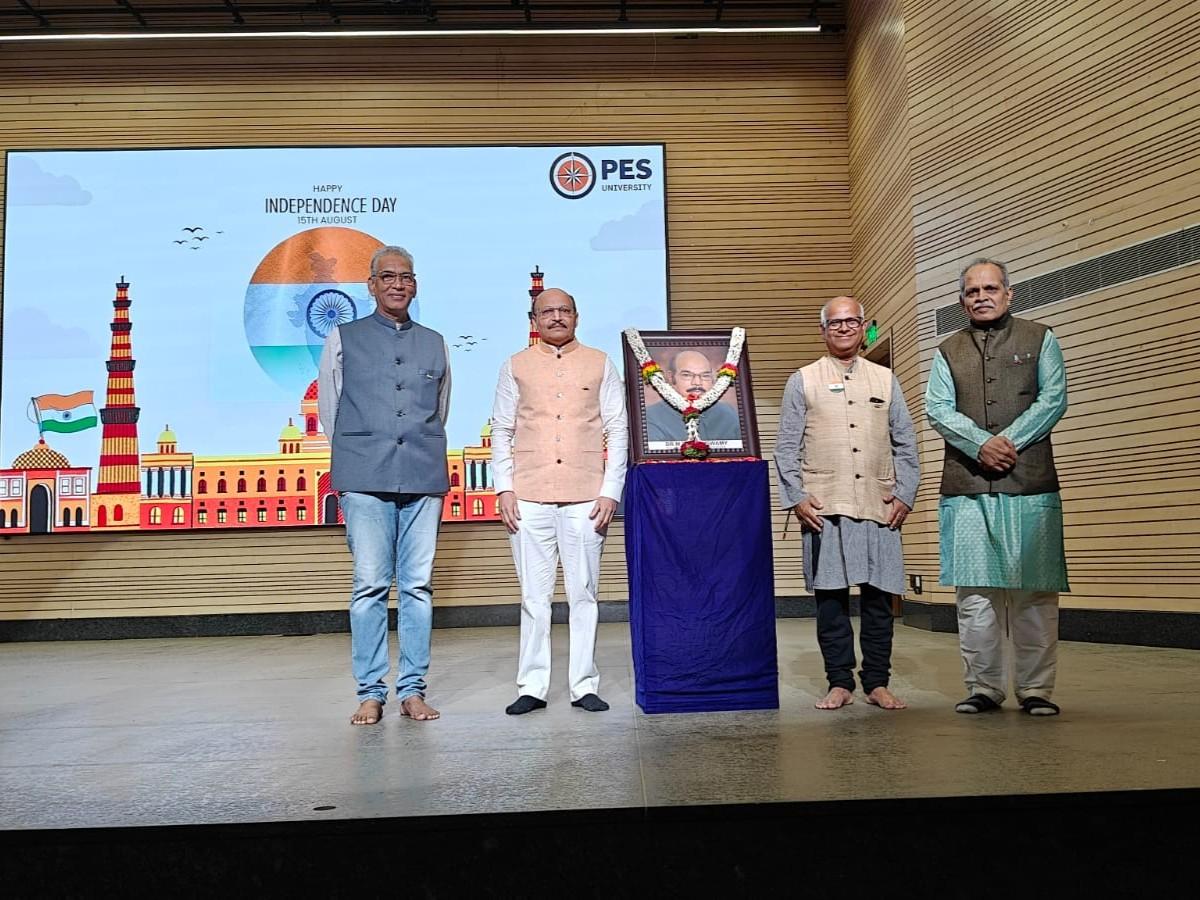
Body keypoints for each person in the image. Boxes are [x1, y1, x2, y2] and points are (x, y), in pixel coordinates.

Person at [925, 258, 1069, 716]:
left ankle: (1035, 690)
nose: (981, 297)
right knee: (975, 597)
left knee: (1034, 595)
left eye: (990, 288)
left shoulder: (1040, 338)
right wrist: (981, 445)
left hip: (1032, 485)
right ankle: (983, 688)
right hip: (967, 488)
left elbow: (1054, 399)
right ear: (961, 300)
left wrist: (1008, 443)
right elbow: (937, 408)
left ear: (1009, 293)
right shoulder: (947, 350)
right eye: (972, 291)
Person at [317, 245, 451, 726]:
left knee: (417, 586)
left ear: (415, 285)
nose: (398, 284)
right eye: (388, 276)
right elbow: (330, 411)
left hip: (422, 474)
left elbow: (439, 409)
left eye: (406, 277)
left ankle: (412, 690)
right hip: (364, 474)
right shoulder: (343, 337)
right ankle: (370, 692)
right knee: (370, 584)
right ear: (371, 285)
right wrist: (360, 451)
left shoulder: (434, 342)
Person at [775, 296, 919, 710]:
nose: (843, 328)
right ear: (823, 330)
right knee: (831, 601)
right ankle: (839, 682)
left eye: (851, 321)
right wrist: (797, 498)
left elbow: (906, 443)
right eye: (835, 323)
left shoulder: (885, 379)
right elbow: (786, 447)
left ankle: (877, 682)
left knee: (879, 600)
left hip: (879, 505)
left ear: (863, 327)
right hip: (826, 507)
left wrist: (905, 495)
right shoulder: (803, 380)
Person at [490, 287, 628, 714]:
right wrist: (504, 487)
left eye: (564, 310)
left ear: (576, 316)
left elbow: (617, 428)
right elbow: (502, 429)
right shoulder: (515, 365)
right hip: (528, 495)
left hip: (587, 496)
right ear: (534, 319)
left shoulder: (600, 362)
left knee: (583, 593)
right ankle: (532, 686)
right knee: (534, 597)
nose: (556, 317)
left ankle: (584, 685)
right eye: (547, 311)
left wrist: (610, 491)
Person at [644, 349, 740, 442]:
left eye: (705, 376)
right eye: (687, 375)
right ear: (671, 377)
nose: (697, 383)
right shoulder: (652, 416)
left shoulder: (727, 413)